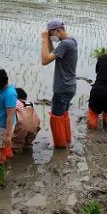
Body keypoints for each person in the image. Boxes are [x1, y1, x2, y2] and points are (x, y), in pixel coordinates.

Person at [41, 19, 78, 149]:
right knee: (63, 115)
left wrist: (44, 41)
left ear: (58, 30)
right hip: (70, 87)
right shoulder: (71, 41)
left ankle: (60, 147)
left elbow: (45, 61)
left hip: (62, 89)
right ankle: (67, 140)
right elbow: (53, 53)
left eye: (51, 34)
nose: (50, 37)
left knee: (56, 118)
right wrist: (50, 41)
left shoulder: (65, 44)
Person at [11, 88, 41, 153]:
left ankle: (17, 157)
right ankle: (28, 150)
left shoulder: (14, 103)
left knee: (16, 144)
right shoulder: (30, 103)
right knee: (28, 143)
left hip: (22, 127)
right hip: (35, 126)